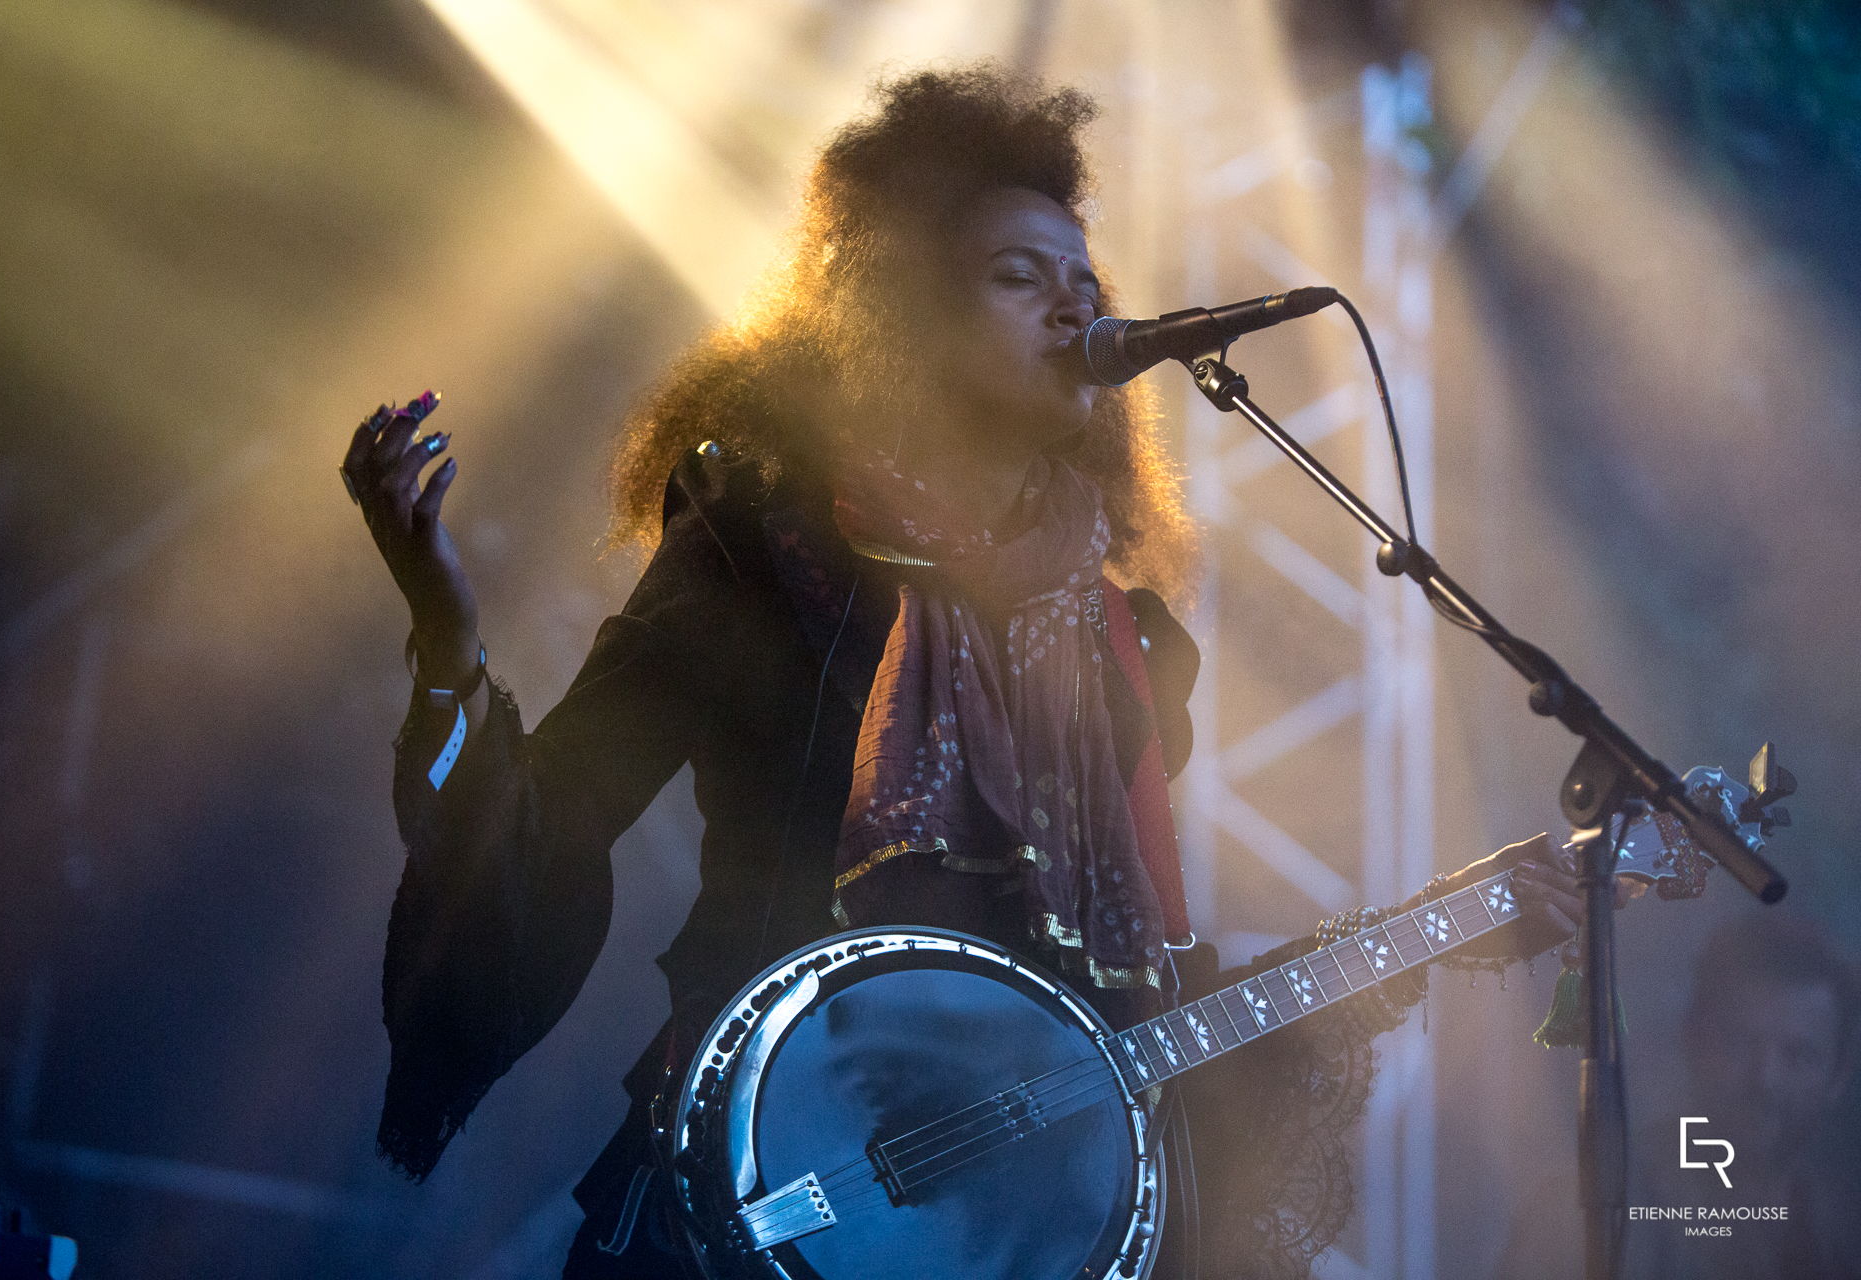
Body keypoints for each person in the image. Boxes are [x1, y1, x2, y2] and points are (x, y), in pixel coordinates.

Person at [340, 64, 1589, 1279]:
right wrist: (447, 637)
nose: (1071, 308)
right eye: (1016, 277)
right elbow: (547, 826)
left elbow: (1132, 1000)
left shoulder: (1133, 642)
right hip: (767, 1187)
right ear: (909, 315)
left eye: (1083, 281)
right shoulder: (762, 551)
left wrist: (1454, 922)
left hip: (1018, 1226)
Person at [1497, 912, 1861, 1279]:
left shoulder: (1845, 1229)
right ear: (1694, 1040)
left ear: (1838, 1075)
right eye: (1739, 1042)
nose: (1765, 1078)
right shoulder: (1584, 1212)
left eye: (1798, 1055)